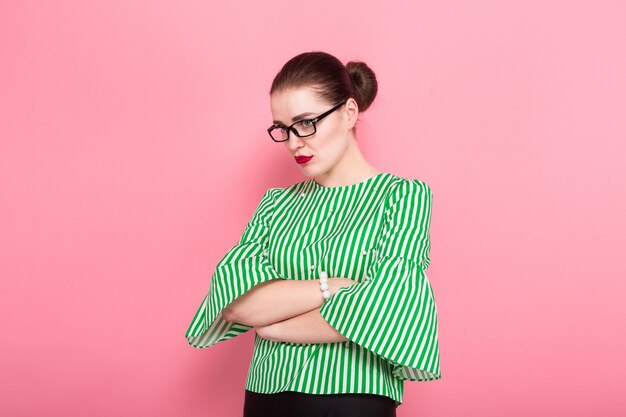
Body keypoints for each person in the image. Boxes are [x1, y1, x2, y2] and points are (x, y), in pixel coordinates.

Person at [185, 51, 441, 417]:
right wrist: (332, 288)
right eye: (283, 128)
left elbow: (391, 311)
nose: (293, 143)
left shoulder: (402, 196)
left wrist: (276, 326)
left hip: (352, 397)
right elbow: (236, 301)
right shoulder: (275, 204)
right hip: (265, 393)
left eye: (306, 123)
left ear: (349, 112)